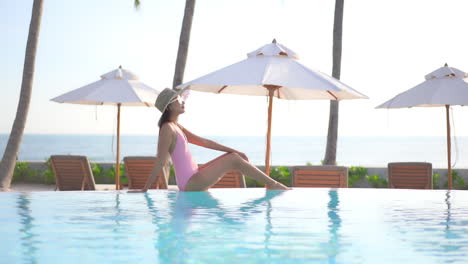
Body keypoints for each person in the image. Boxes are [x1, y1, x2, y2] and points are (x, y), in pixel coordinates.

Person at [128, 87, 289, 192]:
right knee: (233, 159)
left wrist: (235, 150)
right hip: (190, 182)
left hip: (195, 175)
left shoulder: (177, 127)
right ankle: (273, 185)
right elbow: (160, 161)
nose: (183, 102)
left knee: (233, 157)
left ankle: (272, 184)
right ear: (169, 106)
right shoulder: (167, 129)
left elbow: (205, 142)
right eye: (178, 100)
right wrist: (145, 189)